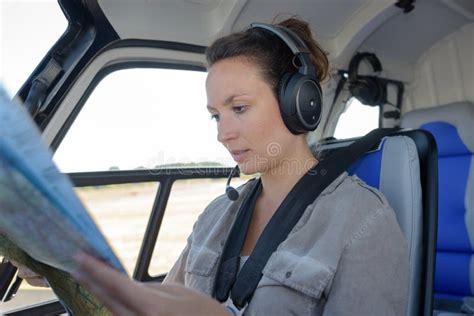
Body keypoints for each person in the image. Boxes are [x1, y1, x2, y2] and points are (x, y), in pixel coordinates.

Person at [16, 17, 409, 315]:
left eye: (239, 108)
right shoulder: (216, 215)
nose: (223, 134)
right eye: (215, 116)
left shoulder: (365, 223)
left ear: (300, 104)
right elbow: (162, 301)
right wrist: (72, 274)